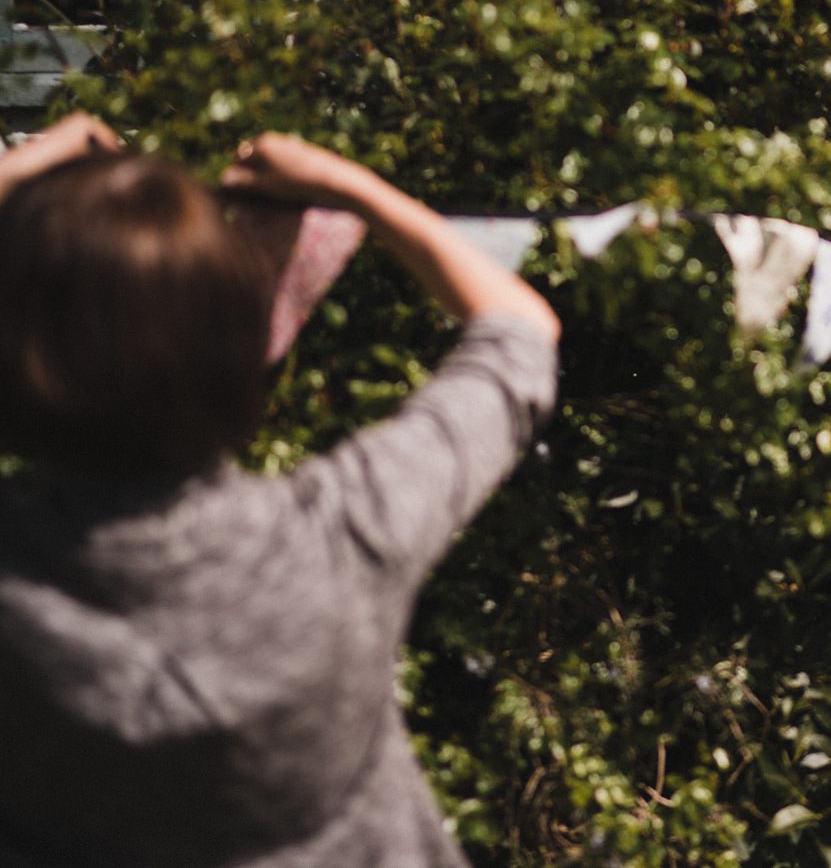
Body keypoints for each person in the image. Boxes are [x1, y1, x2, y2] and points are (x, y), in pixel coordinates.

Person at [0, 114, 561, 867]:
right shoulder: (348, 534)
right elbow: (521, 332)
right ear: (251, 345)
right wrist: (347, 187)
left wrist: (31, 172)